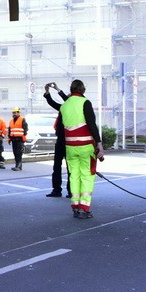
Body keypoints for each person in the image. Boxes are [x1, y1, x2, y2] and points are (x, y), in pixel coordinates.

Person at [59, 79, 104, 219]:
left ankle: (75, 207)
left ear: (71, 89)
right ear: (82, 89)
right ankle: (84, 208)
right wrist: (99, 145)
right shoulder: (85, 103)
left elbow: (61, 128)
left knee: (74, 176)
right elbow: (91, 125)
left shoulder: (64, 105)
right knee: (86, 176)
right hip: (85, 147)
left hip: (70, 148)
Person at [43, 83, 70, 198]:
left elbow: (67, 100)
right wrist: (48, 92)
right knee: (57, 166)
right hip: (61, 140)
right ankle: (57, 190)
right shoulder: (63, 108)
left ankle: (70, 190)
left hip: (69, 140)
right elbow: (52, 102)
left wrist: (58, 89)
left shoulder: (73, 107)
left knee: (70, 167)